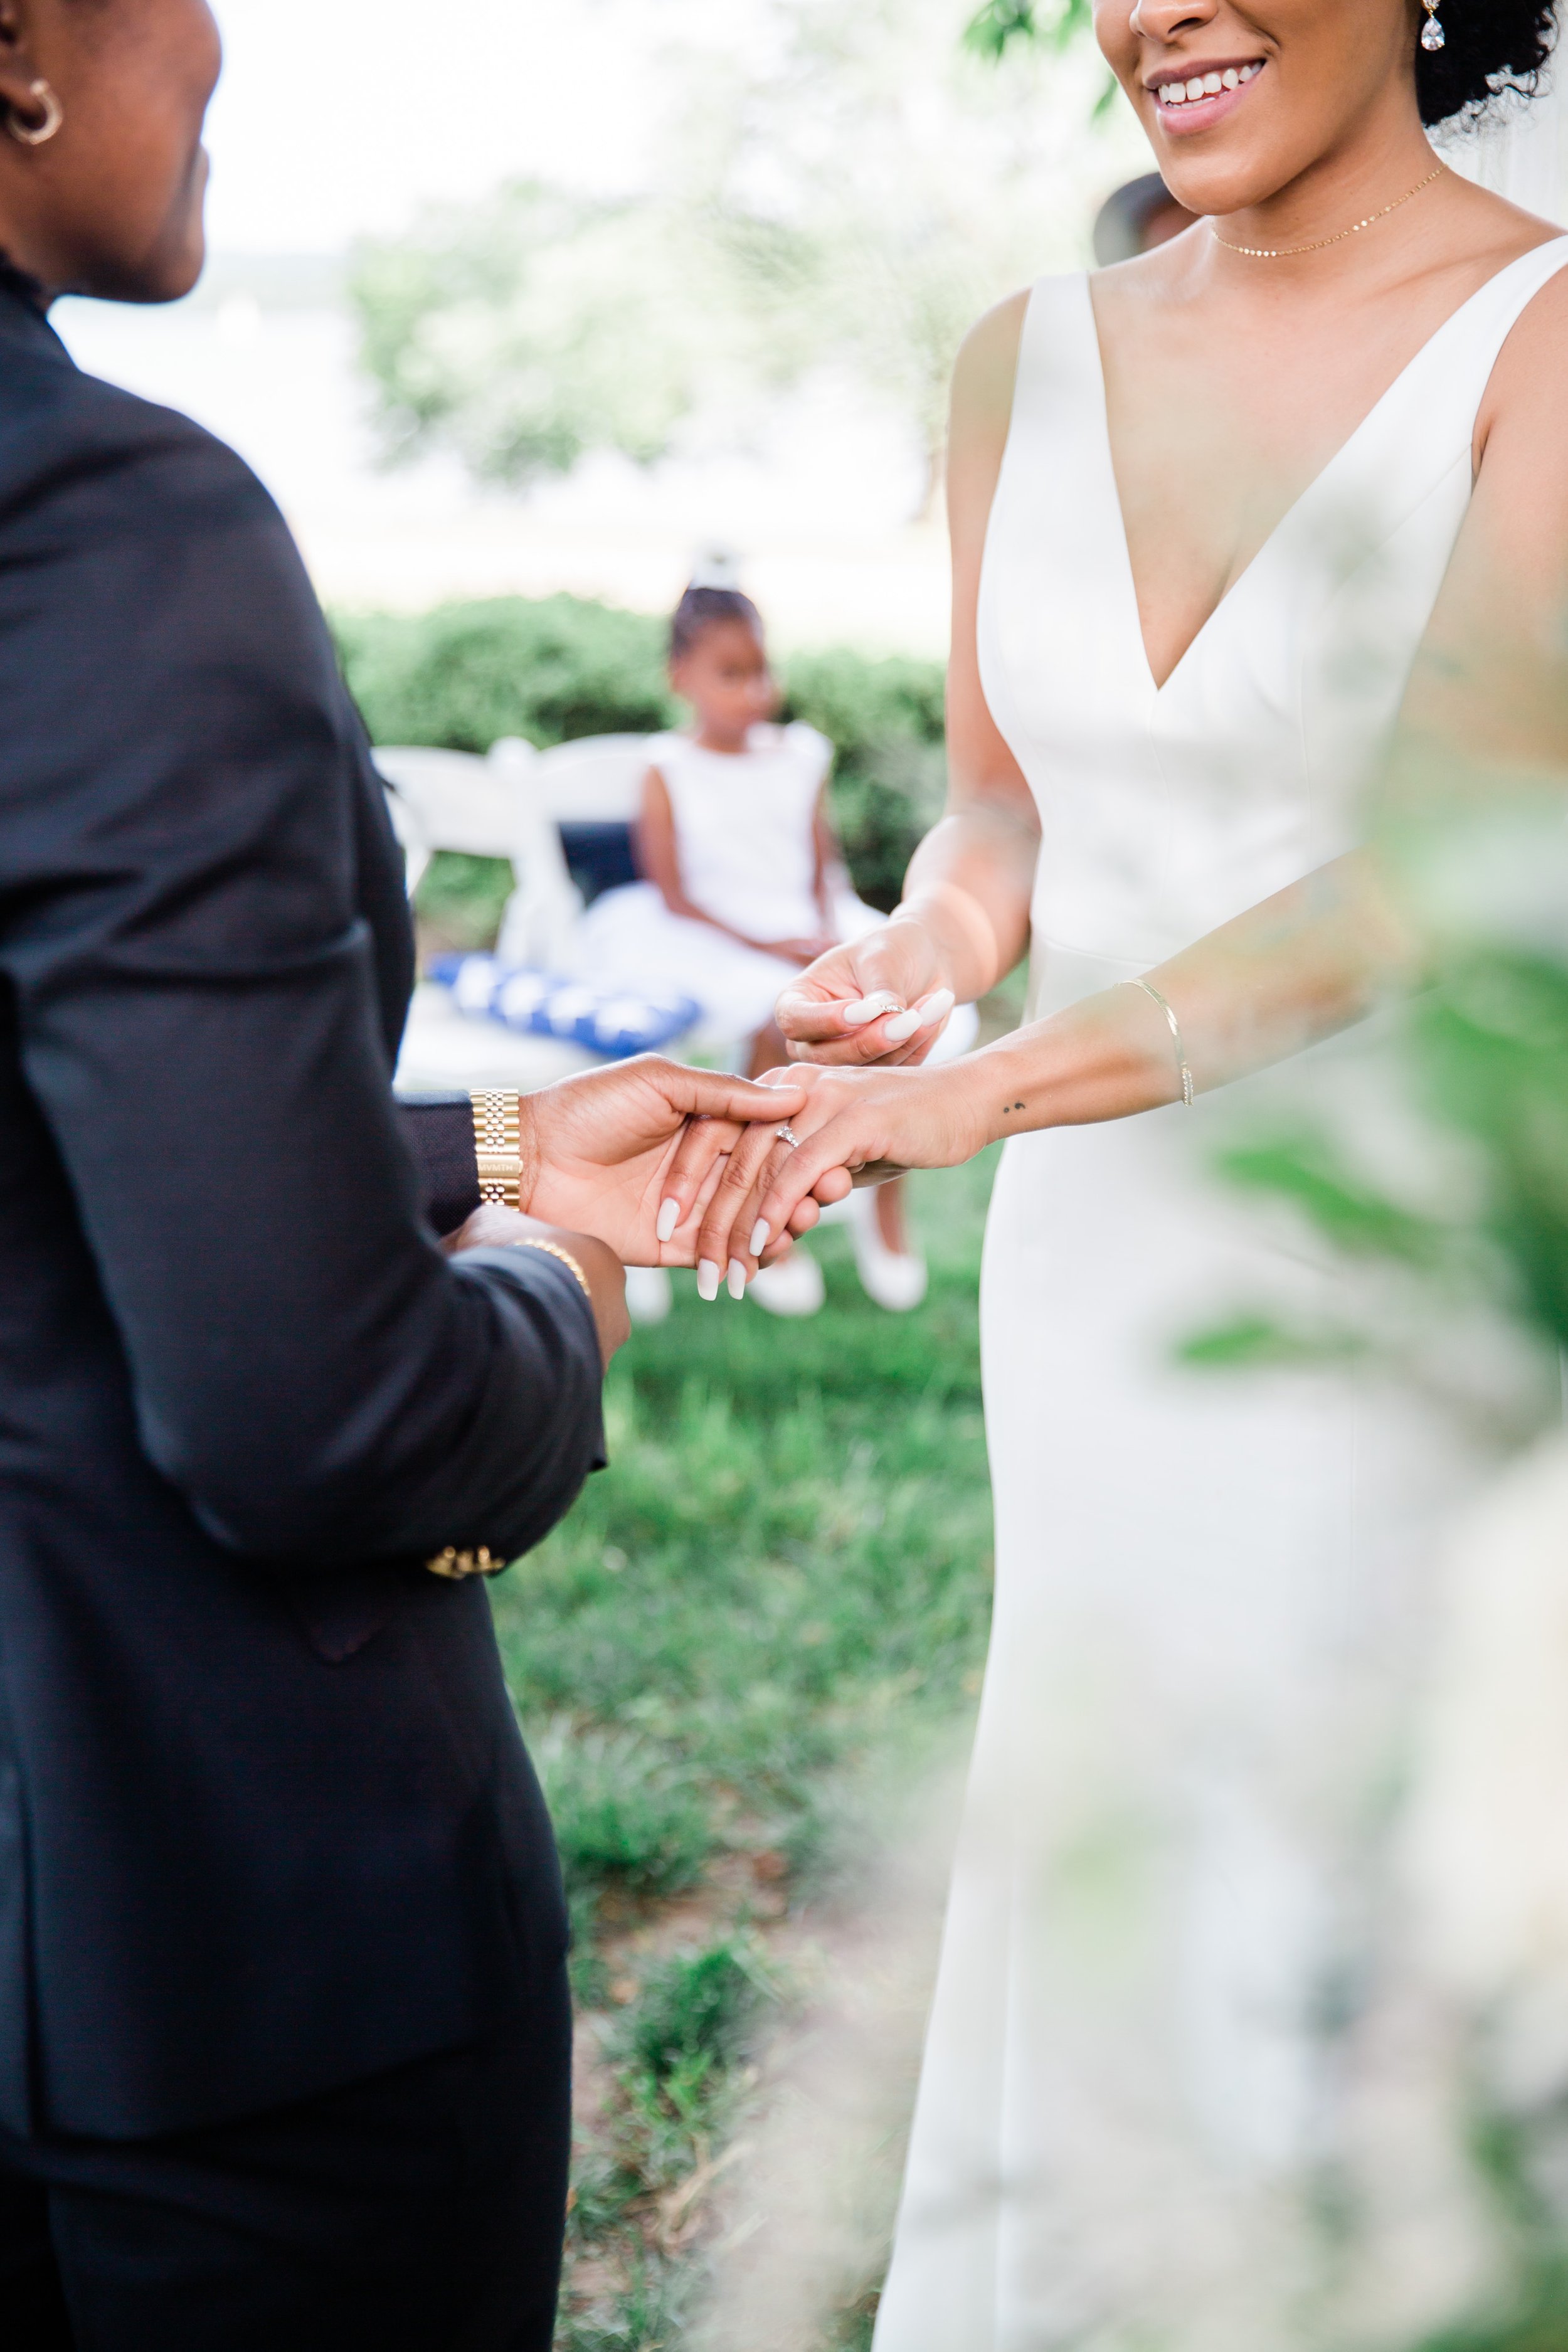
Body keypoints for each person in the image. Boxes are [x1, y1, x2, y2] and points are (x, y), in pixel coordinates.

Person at [655, 0, 1568, 2339]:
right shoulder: (1017, 355)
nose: (1156, 5)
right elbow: (1004, 801)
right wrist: (919, 957)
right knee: (1104, 1815)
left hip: (1373, 1271)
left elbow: (1427, 873)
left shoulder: (1540, 331)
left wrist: (971, 1095)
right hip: (1083, 1272)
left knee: (1320, 1855)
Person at [0, 6, 808, 2345]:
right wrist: (555, 1277)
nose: (222, 34)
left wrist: (495, 1131)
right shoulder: (101, 530)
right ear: (24, 50)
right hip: (209, 1950)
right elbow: (310, 1421)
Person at [569, 579, 938, 1313]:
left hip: (805, 916)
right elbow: (675, 893)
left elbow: (818, 864)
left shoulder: (799, 755)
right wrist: (767, 943)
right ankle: (767, 1209)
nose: (755, 691)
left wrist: (822, 935)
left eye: (762, 670)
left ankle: (889, 1196)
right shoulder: (668, 769)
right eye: (730, 674)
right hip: (708, 928)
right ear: (682, 678)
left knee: (897, 1005)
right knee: (783, 1018)